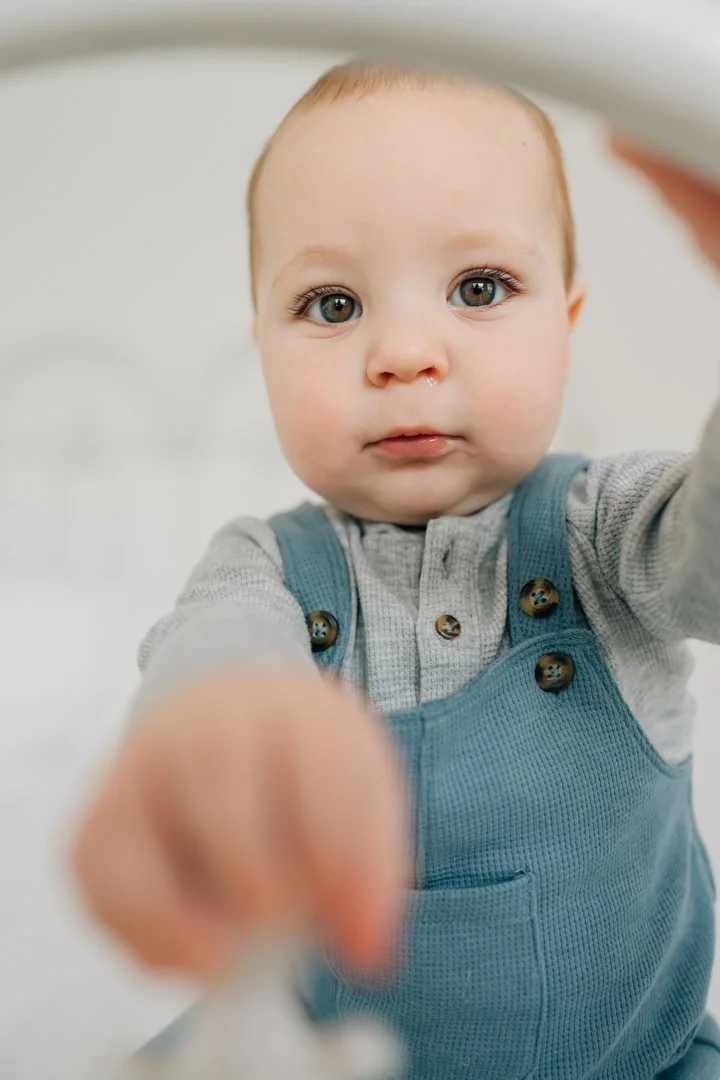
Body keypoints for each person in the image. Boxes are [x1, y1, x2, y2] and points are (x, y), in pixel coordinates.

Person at [71, 62, 720, 1078]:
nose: (404, 351)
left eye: (479, 288)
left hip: (633, 1057)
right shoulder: (270, 567)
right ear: (261, 345)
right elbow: (215, 651)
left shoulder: (606, 531)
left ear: (567, 322)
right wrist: (215, 730)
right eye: (332, 305)